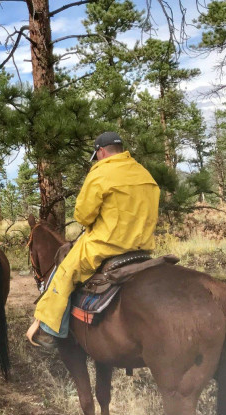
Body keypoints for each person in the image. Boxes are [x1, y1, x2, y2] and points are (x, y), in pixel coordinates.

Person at [27, 132, 160, 349]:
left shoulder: (100, 173)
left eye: (97, 155)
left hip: (105, 246)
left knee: (64, 273)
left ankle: (50, 330)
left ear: (101, 152)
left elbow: (83, 215)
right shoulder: (144, 173)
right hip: (142, 246)